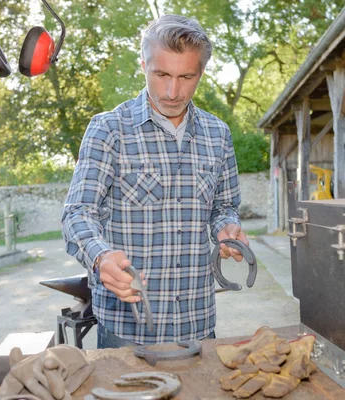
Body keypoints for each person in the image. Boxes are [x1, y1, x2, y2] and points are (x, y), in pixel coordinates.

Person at [62, 14, 249, 349]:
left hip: (198, 323)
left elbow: (223, 207)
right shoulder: (109, 130)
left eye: (186, 76)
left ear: (201, 73)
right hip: (126, 331)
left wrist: (227, 228)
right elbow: (78, 213)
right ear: (144, 64)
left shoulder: (218, 134)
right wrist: (101, 256)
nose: (172, 91)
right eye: (161, 74)